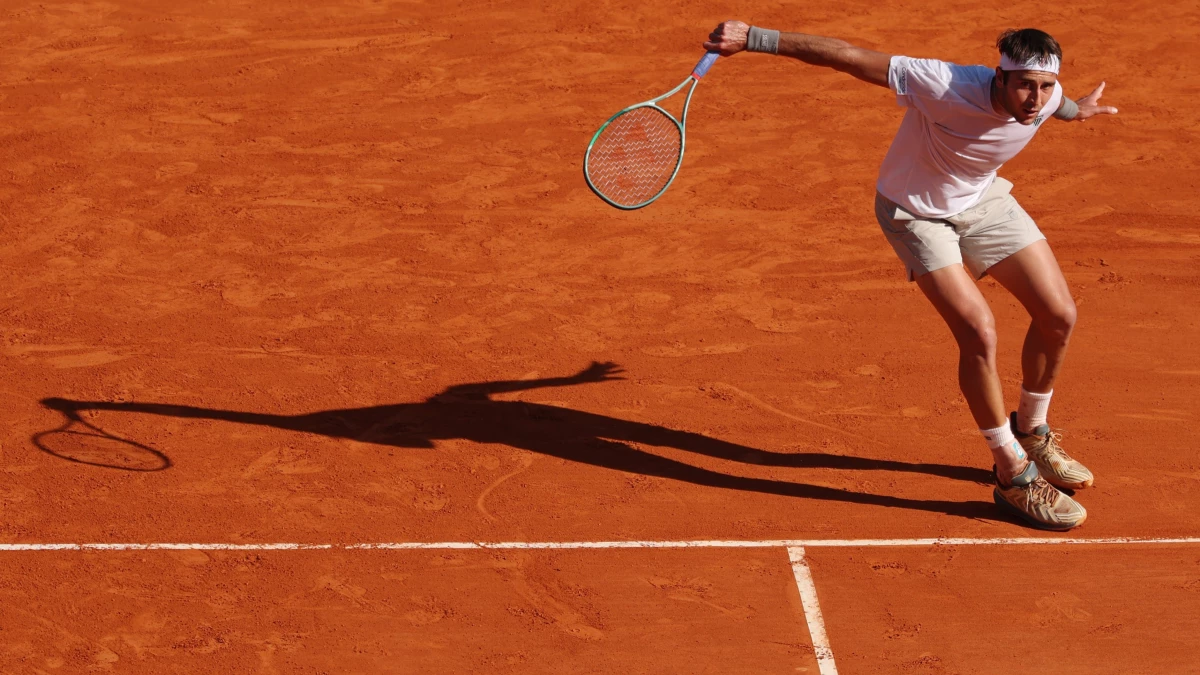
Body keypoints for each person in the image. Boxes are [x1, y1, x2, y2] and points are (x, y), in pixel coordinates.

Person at [703, 23, 1118, 530]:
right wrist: (755, 38)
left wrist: (1077, 108)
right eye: (1026, 85)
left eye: (1047, 86)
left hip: (982, 201)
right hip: (915, 213)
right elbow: (848, 54)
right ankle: (1012, 474)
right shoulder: (941, 83)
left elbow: (1059, 105)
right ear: (999, 77)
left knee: (1059, 314)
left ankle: (1031, 431)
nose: (1036, 99)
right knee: (979, 332)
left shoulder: (1048, 99)